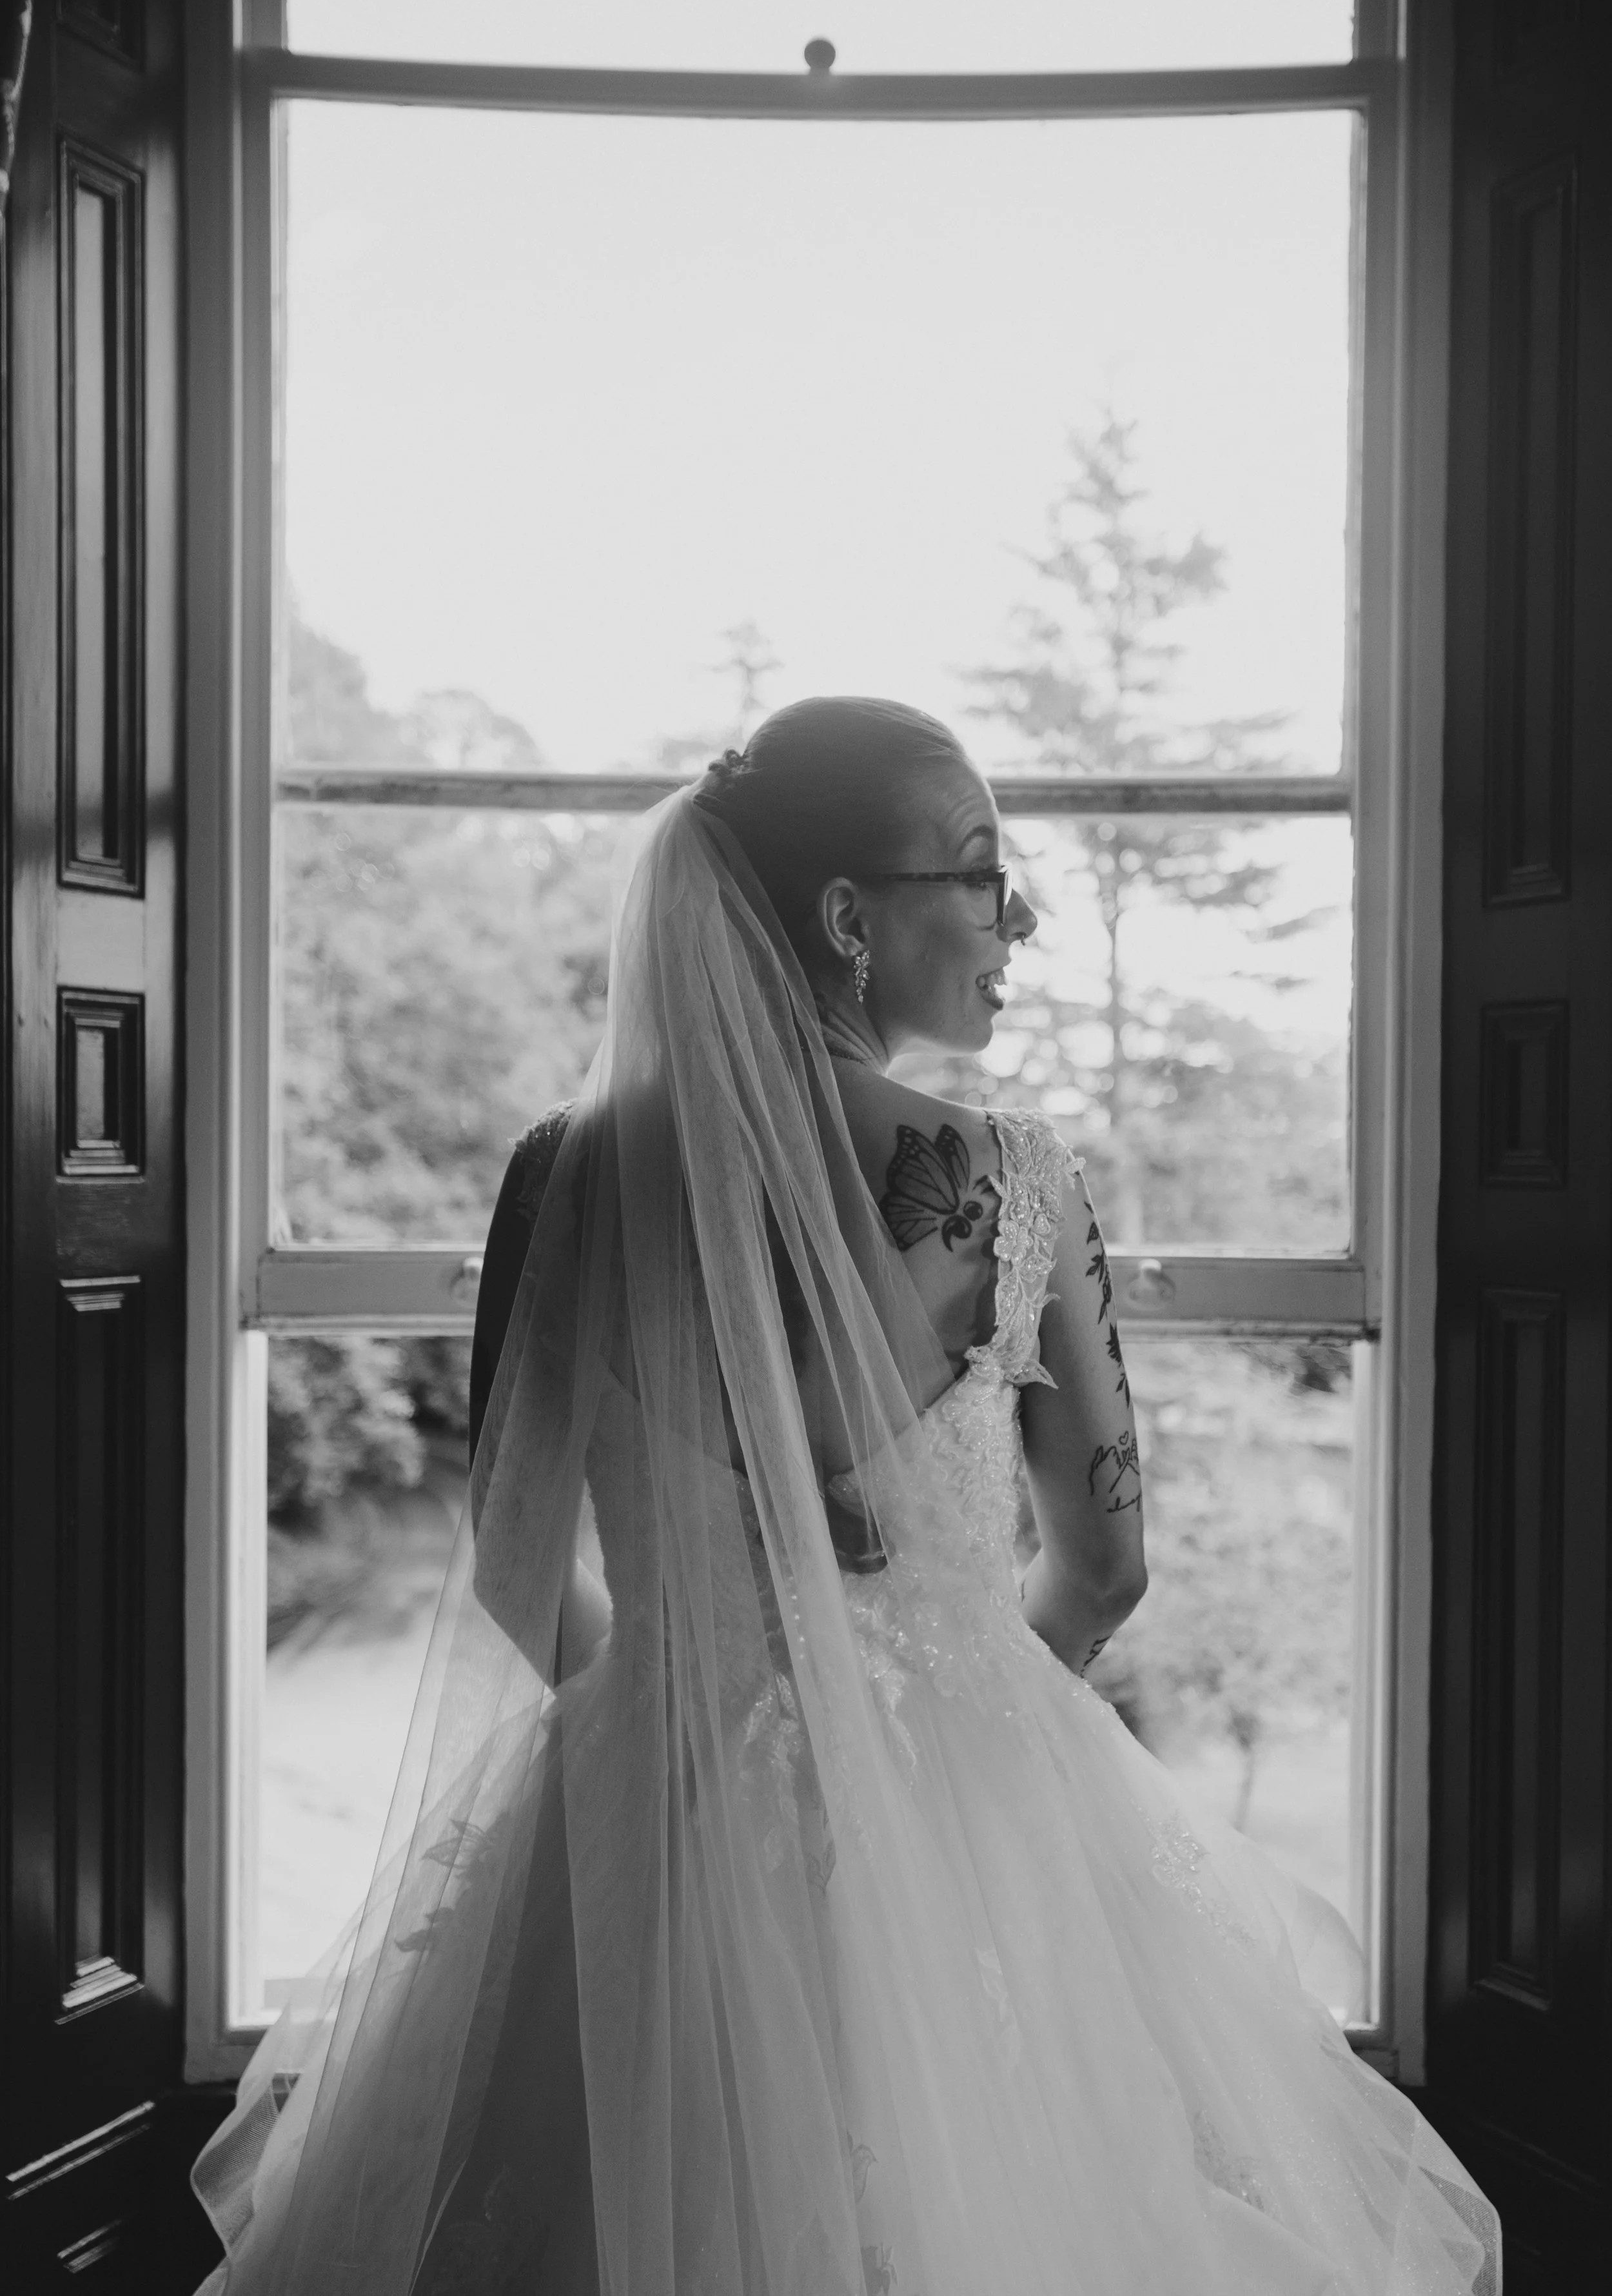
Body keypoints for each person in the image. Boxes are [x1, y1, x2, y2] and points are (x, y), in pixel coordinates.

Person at [193, 698, 1500, 2294]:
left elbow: (517, 1572)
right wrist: (950, 1712)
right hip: (973, 1815)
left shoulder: (562, 1175)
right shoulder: (1014, 1184)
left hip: (642, 1817)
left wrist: (670, 1726)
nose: (1013, 914)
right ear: (841, 919)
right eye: (976, 872)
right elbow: (1103, 1571)